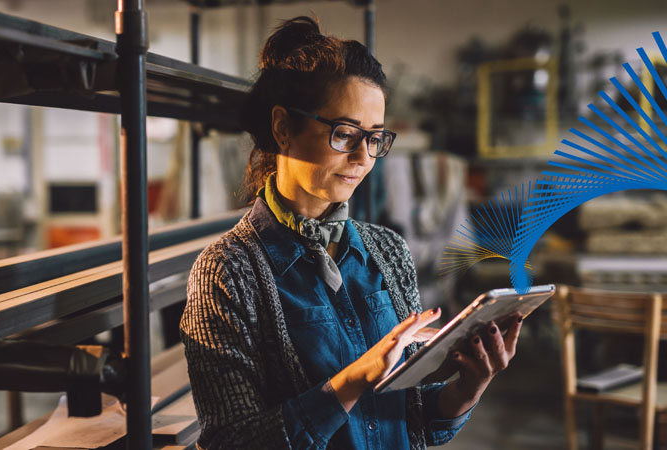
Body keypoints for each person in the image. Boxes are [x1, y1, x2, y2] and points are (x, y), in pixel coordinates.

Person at [180, 16, 523, 450]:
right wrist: (354, 380)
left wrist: (469, 385)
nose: (363, 156)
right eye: (345, 133)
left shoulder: (388, 250)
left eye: (375, 137)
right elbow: (228, 442)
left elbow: (410, 414)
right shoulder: (227, 271)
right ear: (284, 127)